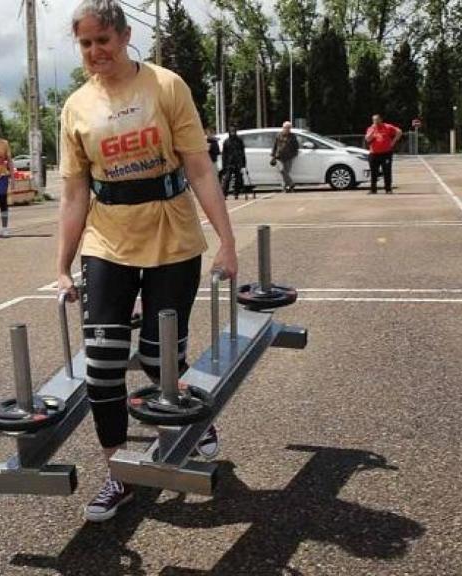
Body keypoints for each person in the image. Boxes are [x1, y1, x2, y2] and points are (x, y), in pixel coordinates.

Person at [58, 0, 238, 523]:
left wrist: (226, 242)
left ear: (125, 34)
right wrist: (61, 265)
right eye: (86, 44)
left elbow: (200, 168)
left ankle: (187, 410)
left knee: (163, 357)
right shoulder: (75, 108)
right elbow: (73, 196)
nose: (95, 52)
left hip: (172, 235)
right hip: (107, 239)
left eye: (103, 41)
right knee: (103, 363)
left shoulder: (165, 86)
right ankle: (121, 475)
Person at [365, 114, 402, 194]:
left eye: (377, 119)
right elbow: (367, 139)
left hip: (386, 154)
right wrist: (373, 131)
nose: (376, 121)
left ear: (381, 119)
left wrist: (393, 141)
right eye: (374, 120)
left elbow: (399, 131)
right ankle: (373, 189)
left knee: (387, 171)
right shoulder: (371, 128)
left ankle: (388, 189)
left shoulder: (387, 127)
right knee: (374, 172)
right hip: (374, 154)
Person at [270, 120, 298, 192]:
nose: (287, 129)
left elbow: (296, 146)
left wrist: (294, 154)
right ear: (283, 128)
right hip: (279, 156)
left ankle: (286, 187)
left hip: (288, 157)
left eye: (288, 128)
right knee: (282, 171)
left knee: (286, 172)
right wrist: (273, 155)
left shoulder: (292, 136)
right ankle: (291, 183)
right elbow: (275, 146)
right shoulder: (279, 135)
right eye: (285, 127)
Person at [221, 125, 248, 200]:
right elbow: (224, 154)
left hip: (238, 163)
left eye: (234, 131)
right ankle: (224, 194)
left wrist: (243, 164)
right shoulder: (226, 141)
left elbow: (243, 153)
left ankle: (236, 193)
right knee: (227, 179)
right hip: (229, 163)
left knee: (238, 179)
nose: (232, 132)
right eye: (231, 131)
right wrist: (224, 166)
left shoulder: (239, 141)